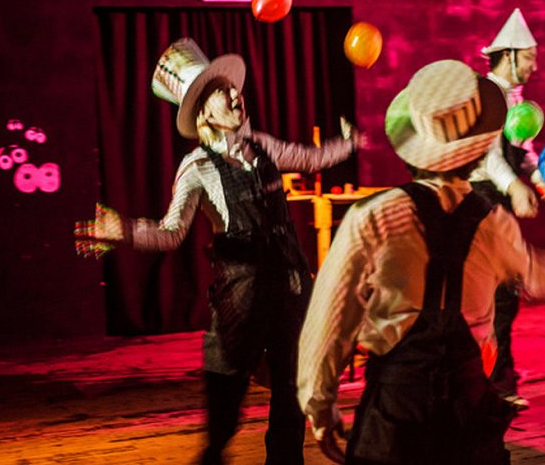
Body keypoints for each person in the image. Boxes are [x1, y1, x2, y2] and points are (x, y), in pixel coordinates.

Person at [74, 38, 360, 465]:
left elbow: (308, 158)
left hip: (289, 286)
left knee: (291, 389)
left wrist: (349, 143)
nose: (235, 94)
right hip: (240, 296)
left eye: (233, 88)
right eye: (222, 92)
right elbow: (171, 233)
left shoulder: (261, 145)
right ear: (205, 113)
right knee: (225, 399)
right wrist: (126, 231)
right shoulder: (197, 168)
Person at [297, 59, 545, 464]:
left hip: (396, 409)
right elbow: (539, 276)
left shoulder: (372, 217)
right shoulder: (495, 223)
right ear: (476, 149)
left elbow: (331, 319)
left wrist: (319, 406)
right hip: (468, 409)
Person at [469, 8, 545, 410]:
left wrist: (538, 176)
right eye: (530, 58)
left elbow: (521, 147)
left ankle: (497, 381)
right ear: (508, 55)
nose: (535, 66)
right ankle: (492, 384)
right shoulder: (486, 93)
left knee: (503, 297)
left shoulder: (515, 99)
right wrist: (514, 186)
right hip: (481, 198)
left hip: (498, 197)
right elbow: (488, 155)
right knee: (495, 296)